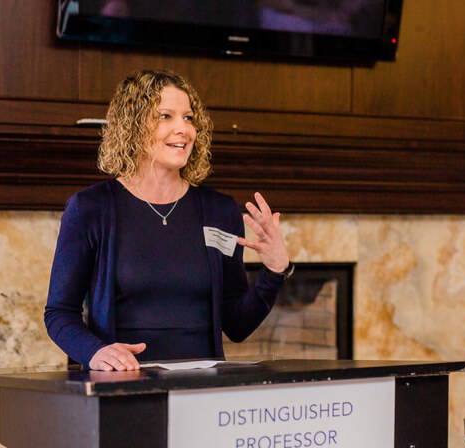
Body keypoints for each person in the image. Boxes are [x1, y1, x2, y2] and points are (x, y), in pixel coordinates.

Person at [44, 70, 293, 371]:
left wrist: (274, 271)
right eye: (166, 116)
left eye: (188, 118)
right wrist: (95, 352)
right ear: (133, 126)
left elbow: (237, 326)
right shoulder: (89, 209)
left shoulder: (220, 210)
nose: (184, 129)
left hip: (201, 396)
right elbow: (59, 313)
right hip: (121, 395)